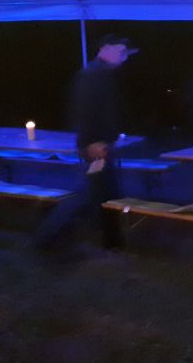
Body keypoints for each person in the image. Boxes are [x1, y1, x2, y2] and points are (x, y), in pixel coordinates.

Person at [34, 33, 136, 251]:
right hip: (95, 145)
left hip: (101, 144)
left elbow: (105, 110)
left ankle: (111, 241)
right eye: (120, 52)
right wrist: (92, 142)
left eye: (126, 53)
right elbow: (82, 110)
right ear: (105, 48)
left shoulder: (102, 74)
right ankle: (47, 237)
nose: (124, 57)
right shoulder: (92, 75)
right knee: (90, 193)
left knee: (104, 193)